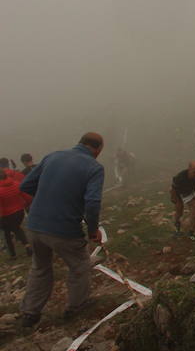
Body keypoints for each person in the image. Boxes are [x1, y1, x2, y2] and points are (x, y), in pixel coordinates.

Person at [18, 133, 105, 327]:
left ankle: (30, 312)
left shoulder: (53, 156)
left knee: (40, 267)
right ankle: (76, 306)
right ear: (98, 149)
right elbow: (92, 203)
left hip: (35, 225)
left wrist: (48, 198)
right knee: (80, 265)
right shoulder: (94, 167)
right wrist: (93, 230)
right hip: (64, 229)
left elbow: (25, 185)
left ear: (80, 143)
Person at [0, 167, 31, 259]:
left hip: (7, 216)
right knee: (16, 228)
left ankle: (13, 254)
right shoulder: (16, 184)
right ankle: (27, 246)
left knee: (7, 233)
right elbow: (27, 197)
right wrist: (27, 205)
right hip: (20, 213)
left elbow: (0, 207)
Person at [170, 161, 195, 241]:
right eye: (194, 172)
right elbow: (173, 188)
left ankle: (191, 233)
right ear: (189, 169)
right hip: (178, 192)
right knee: (179, 210)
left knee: (194, 212)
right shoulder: (180, 177)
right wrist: (174, 198)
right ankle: (177, 227)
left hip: (189, 191)